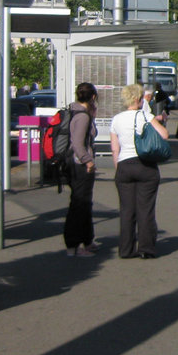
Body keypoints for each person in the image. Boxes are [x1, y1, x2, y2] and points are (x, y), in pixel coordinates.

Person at [111, 83, 169, 259]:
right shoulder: (145, 115)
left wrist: (118, 168)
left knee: (127, 210)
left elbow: (115, 148)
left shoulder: (117, 119)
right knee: (145, 209)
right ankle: (146, 249)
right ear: (137, 99)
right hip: (145, 166)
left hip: (124, 166)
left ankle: (126, 249)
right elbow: (164, 134)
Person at [62, 82, 99, 257]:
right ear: (92, 97)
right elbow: (78, 142)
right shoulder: (83, 116)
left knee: (84, 202)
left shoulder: (74, 111)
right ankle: (74, 246)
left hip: (73, 162)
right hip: (79, 164)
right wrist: (88, 161)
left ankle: (86, 240)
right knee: (79, 203)